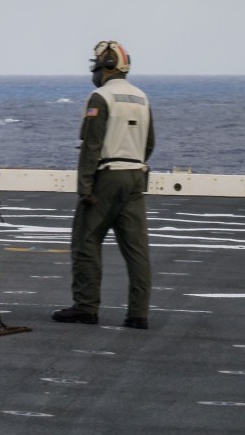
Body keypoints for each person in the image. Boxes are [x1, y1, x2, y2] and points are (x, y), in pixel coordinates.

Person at [53, 40, 155, 330]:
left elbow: (92, 145)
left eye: (97, 66)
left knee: (86, 241)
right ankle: (138, 314)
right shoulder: (142, 98)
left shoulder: (100, 97)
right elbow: (149, 143)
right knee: (137, 250)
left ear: (107, 67)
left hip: (106, 176)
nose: (95, 72)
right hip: (136, 174)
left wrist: (85, 186)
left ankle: (86, 307)